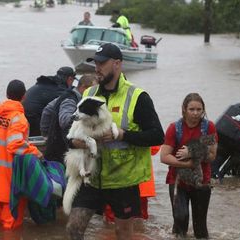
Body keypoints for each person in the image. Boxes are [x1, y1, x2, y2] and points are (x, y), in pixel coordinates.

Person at [65, 43, 164, 240]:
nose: (97, 68)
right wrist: (77, 143)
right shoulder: (88, 94)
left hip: (123, 180)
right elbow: (71, 134)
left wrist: (122, 134)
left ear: (117, 64)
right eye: (96, 63)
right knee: (73, 229)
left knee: (123, 234)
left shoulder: (138, 97)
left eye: (102, 63)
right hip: (91, 178)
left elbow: (157, 136)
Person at [0, 79, 42, 230]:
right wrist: (36, 152)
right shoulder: (19, 119)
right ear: (24, 96)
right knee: (11, 225)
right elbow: (15, 145)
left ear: (6, 94)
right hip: (10, 178)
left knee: (0, 222)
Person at [160, 93, 218, 238]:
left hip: (201, 181)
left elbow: (211, 155)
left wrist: (192, 152)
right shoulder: (175, 128)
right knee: (180, 220)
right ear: (184, 109)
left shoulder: (208, 127)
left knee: (200, 228)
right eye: (192, 109)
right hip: (178, 180)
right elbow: (164, 156)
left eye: (199, 110)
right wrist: (187, 163)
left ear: (203, 110)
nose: (195, 113)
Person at [41, 74, 97, 163]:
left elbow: (47, 110)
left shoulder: (67, 94)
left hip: (54, 149)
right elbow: (65, 122)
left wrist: (46, 134)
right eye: (93, 90)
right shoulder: (70, 100)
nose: (95, 94)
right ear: (84, 88)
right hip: (60, 155)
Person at [104, 145, 160, 222]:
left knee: (112, 218)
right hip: (140, 180)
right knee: (138, 218)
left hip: (113, 178)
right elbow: (154, 149)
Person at [22, 66, 76, 136]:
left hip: (22, 116)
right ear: (70, 79)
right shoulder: (59, 90)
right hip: (33, 119)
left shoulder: (48, 83)